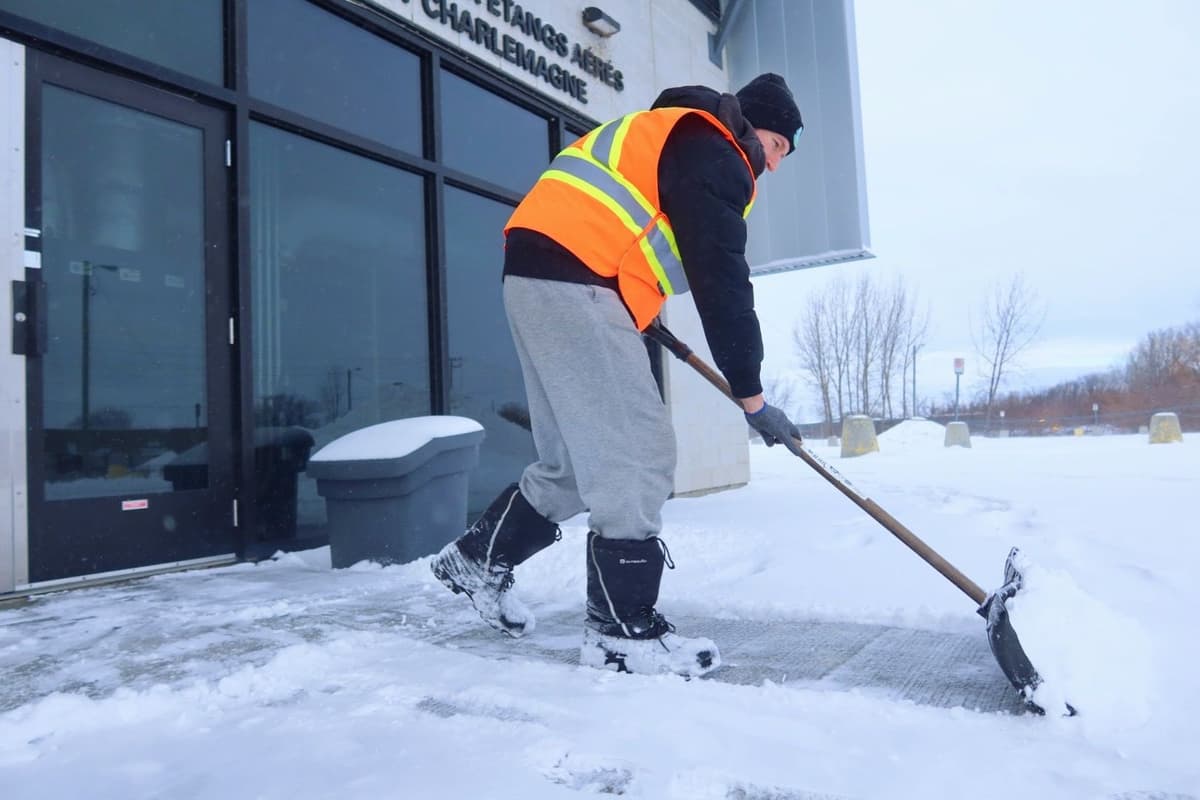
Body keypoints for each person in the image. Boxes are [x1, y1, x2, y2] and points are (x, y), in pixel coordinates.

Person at [431, 73, 806, 677]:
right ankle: (620, 631)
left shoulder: (666, 135)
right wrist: (752, 397)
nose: (776, 164)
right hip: (574, 280)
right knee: (638, 451)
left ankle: (477, 559)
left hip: (540, 278)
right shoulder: (716, 146)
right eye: (780, 146)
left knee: (577, 468)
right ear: (752, 125)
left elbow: (626, 229)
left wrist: (639, 305)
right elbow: (723, 280)